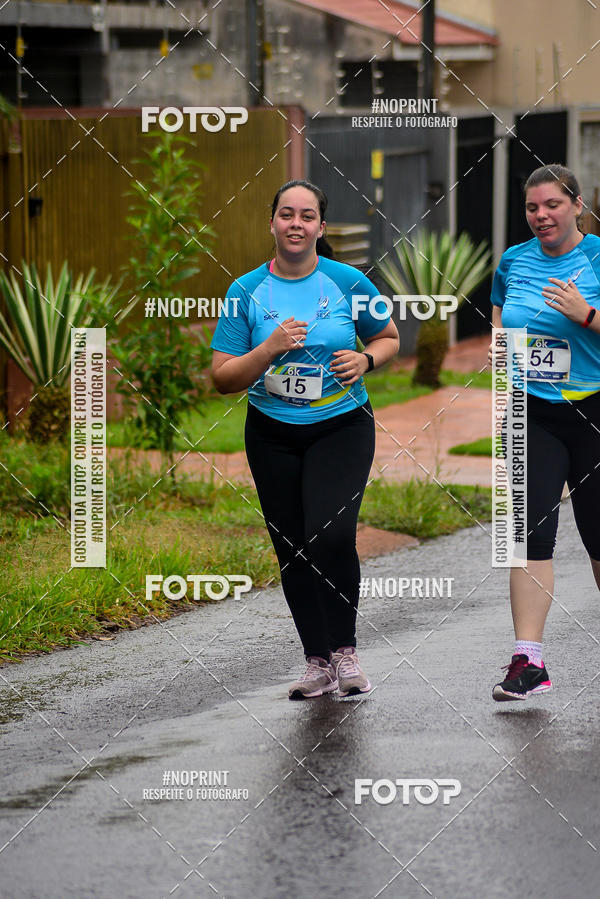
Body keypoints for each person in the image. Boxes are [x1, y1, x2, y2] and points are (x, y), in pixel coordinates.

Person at [211, 179, 399, 699]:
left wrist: (366, 359)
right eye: (287, 214)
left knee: (330, 535)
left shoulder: (349, 282)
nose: (296, 223)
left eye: (307, 215)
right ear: (272, 222)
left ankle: (345, 652)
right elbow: (223, 377)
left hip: (341, 425)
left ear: (320, 226)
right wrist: (268, 348)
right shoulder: (244, 291)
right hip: (271, 433)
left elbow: (388, 338)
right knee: (291, 547)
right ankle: (317, 661)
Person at [489, 164, 600, 701]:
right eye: (532, 207)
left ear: (577, 205)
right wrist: (501, 353)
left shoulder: (597, 257)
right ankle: (528, 661)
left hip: (595, 411)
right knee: (526, 536)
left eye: (552, 204)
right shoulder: (514, 260)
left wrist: (587, 315)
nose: (541, 215)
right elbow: (500, 318)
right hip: (529, 410)